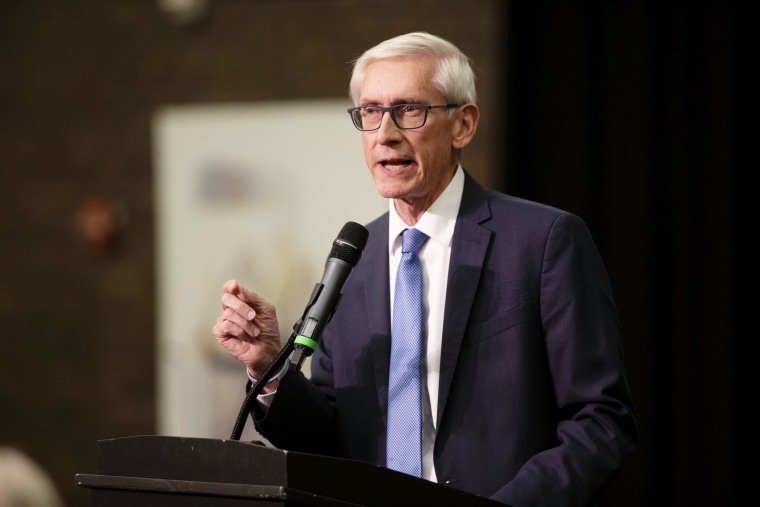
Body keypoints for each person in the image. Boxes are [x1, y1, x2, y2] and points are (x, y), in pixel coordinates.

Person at [213, 31, 637, 507]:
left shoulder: (543, 242)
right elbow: (331, 439)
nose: (385, 133)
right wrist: (269, 367)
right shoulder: (355, 261)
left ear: (464, 125)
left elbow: (600, 421)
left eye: (409, 109)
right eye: (370, 112)